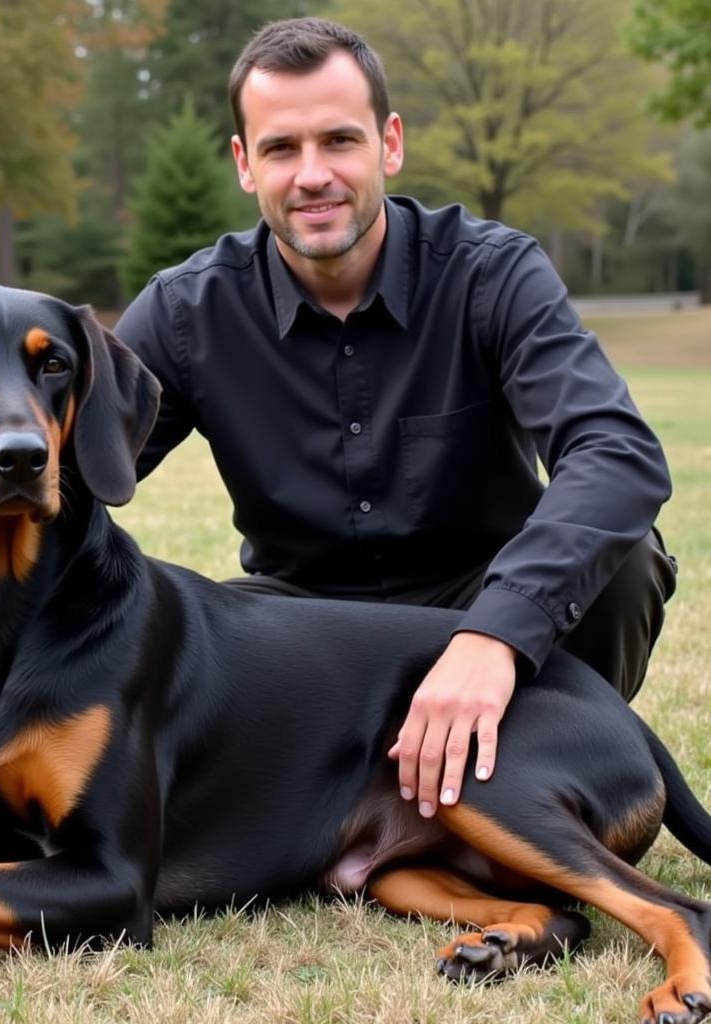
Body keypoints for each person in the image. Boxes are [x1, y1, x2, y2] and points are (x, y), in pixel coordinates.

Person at [114, 17, 677, 821]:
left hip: (482, 600)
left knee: (623, 568)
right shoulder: (184, 311)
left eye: (340, 141)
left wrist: (496, 636)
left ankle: (544, 770)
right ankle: (330, 806)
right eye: (280, 149)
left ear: (390, 144)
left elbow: (616, 454)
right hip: (301, 629)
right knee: (199, 628)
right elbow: (72, 470)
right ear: (244, 163)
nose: (313, 175)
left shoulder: (493, 273)